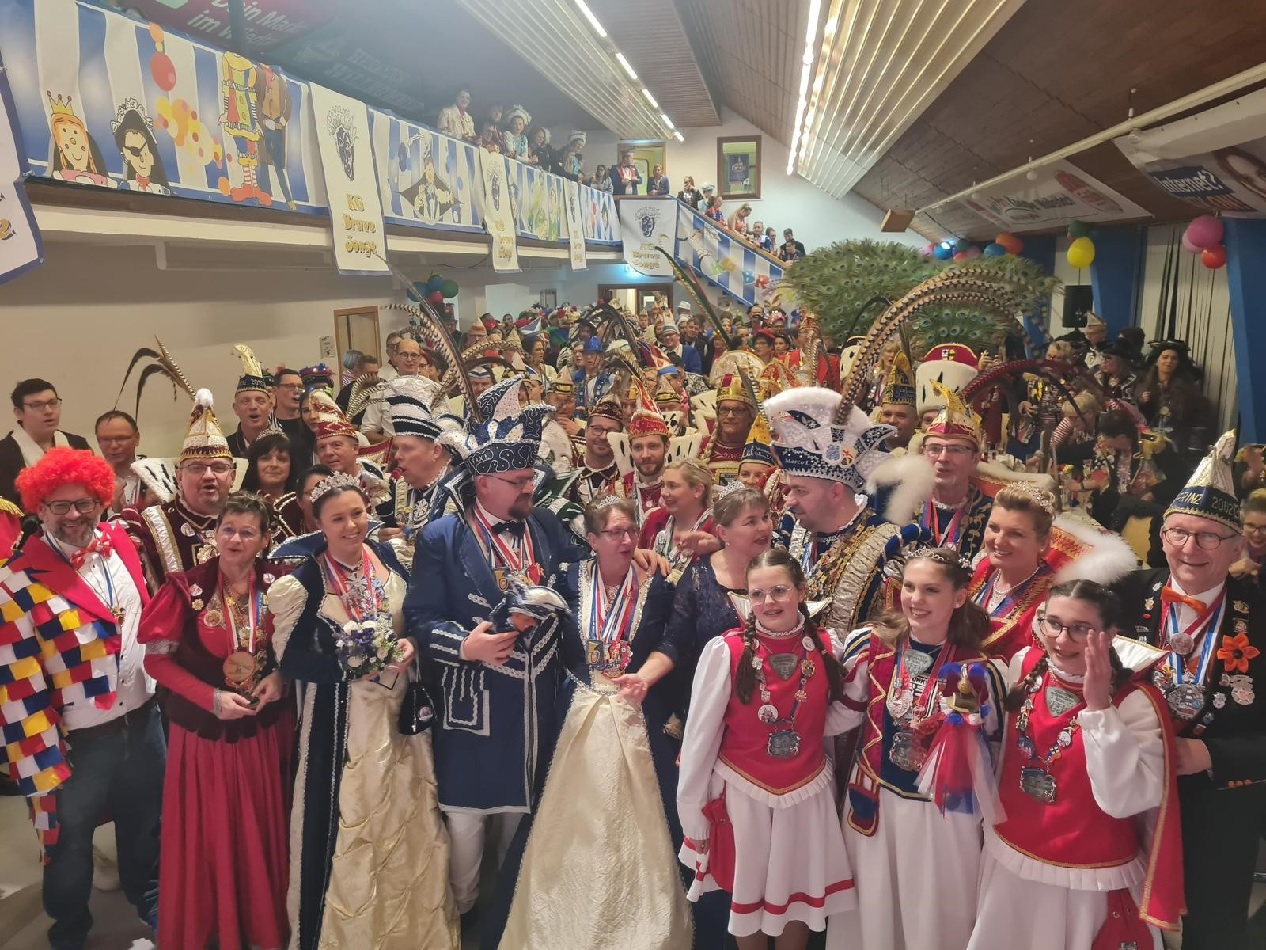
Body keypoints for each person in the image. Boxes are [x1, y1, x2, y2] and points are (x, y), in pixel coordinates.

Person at [404, 378, 588, 933]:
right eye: (517, 480)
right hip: (473, 713)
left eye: (531, 477)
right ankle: (459, 927)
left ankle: (504, 930)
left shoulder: (544, 524)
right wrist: (466, 645)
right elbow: (420, 619)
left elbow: (578, 576)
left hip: (534, 711)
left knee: (520, 831)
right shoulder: (443, 536)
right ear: (483, 482)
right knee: (464, 834)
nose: (529, 488)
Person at [269, 473, 458, 949]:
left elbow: (415, 616)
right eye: (338, 518)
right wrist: (349, 667)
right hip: (344, 718)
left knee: (409, 808)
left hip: (401, 711)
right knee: (353, 813)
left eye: (357, 513)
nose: (351, 525)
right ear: (320, 525)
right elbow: (290, 659)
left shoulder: (391, 557)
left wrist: (413, 643)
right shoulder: (304, 580)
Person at [499, 498, 693, 947]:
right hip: (577, 709)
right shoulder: (567, 579)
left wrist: (644, 679)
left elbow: (674, 641)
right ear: (592, 541)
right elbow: (525, 613)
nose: (627, 541)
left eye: (632, 532)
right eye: (615, 533)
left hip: (635, 709)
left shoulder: (660, 584)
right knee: (567, 821)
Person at [0, 448, 161, 949]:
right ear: (38, 509)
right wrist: (42, 758)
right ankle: (69, 929)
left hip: (144, 719)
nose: (74, 515)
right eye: (58, 505)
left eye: (84, 502)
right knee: (68, 843)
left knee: (146, 827)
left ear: (101, 499)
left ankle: (153, 908)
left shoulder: (122, 543)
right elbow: (15, 682)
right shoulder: (17, 580)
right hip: (78, 740)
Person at [967, 580, 1184, 950]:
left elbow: (1123, 801)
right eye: (1053, 623)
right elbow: (1003, 750)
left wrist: (1099, 708)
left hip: (1088, 876)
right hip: (1010, 857)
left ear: (1110, 634)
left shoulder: (1136, 703)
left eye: (1080, 629)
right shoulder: (1025, 666)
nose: (1062, 640)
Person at [1113, 432, 1266, 950]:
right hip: (1125, 795)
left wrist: (1209, 753)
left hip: (1218, 805)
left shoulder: (1261, 616)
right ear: (1160, 536)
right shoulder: (1123, 593)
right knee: (1116, 919)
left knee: (1212, 931)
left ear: (1237, 546)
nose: (1189, 548)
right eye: (1178, 533)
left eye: (1208, 537)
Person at [678, 549, 858, 949]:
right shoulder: (726, 651)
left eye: (779, 590)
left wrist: (859, 699)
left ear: (802, 592)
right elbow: (699, 739)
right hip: (744, 795)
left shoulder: (827, 646)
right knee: (750, 895)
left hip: (806, 794)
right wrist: (692, 812)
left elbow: (824, 720)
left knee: (798, 896)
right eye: (757, 594)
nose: (768, 602)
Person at [138, 492, 295, 950]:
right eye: (228, 529)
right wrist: (209, 697)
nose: (235, 539)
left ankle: (263, 925)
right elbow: (157, 663)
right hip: (206, 736)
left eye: (248, 532)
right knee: (212, 834)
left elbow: (303, 647)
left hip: (267, 731)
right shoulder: (186, 588)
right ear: (214, 533)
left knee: (266, 830)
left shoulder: (283, 586)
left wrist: (282, 677)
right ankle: (214, 926)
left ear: (265, 540)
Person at [830, 548, 1005, 950]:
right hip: (874, 798)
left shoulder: (978, 670)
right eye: (909, 587)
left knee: (933, 916)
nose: (915, 599)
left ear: (958, 597)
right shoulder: (871, 646)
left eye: (930, 590)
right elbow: (843, 716)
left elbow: (996, 756)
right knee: (870, 913)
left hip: (942, 814)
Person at [765, 385, 928, 632]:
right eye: (791, 491)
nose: (789, 501)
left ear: (836, 492)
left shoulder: (895, 547)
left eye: (800, 491)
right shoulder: (791, 531)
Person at [122, 390, 237, 589]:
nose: (208, 475)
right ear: (179, 477)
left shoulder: (255, 519)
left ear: (233, 477)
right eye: (197, 467)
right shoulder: (148, 528)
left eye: (218, 467)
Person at [375, 375, 460, 567]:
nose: (397, 456)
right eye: (397, 448)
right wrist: (383, 539)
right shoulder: (398, 488)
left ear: (436, 451)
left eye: (407, 448)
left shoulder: (463, 492)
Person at [0, 378, 90, 504]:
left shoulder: (78, 444)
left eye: (53, 403)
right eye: (37, 405)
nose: (48, 411)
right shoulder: (4, 454)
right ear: (18, 412)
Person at [1135, 341, 1210, 460]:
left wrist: (1194, 451)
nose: (1169, 361)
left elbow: (1197, 423)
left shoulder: (1188, 391)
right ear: (1156, 361)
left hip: (1176, 448)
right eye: (1165, 357)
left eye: (1174, 358)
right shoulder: (1144, 387)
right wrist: (1142, 403)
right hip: (1147, 447)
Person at [362, 336, 426, 444]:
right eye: (404, 354)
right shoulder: (381, 390)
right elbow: (367, 431)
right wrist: (393, 442)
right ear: (395, 357)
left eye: (414, 355)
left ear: (420, 358)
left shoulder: (433, 389)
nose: (409, 359)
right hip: (394, 453)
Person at [240, 431, 303, 538]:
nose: (274, 464)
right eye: (265, 458)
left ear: (291, 466)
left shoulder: (302, 504)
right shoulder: (239, 503)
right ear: (254, 464)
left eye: (282, 459)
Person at [700, 375, 756, 484]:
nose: (730, 416)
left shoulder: (763, 451)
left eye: (738, 410)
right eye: (724, 410)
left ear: (750, 416)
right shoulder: (700, 447)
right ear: (718, 414)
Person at [226, 344, 275, 458]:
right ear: (235, 408)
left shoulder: (286, 445)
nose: (253, 406)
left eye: (260, 401)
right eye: (245, 401)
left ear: (271, 406)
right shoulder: (224, 448)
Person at [95, 409, 144, 515]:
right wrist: (114, 510)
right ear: (98, 441)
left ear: (137, 438)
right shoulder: (91, 480)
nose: (114, 445)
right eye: (106, 439)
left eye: (121, 438)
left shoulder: (157, 475)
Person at [875, 351, 918, 451]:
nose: (892, 421)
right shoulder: (867, 451)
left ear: (916, 420)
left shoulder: (925, 454)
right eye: (887, 414)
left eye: (901, 415)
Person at [271, 366, 314, 465]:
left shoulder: (309, 421)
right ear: (275, 390)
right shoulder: (267, 424)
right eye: (290, 386)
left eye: (300, 387)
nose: (296, 391)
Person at [335, 352, 382, 426]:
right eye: (370, 374)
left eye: (376, 373)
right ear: (357, 373)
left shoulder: (382, 390)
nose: (374, 377)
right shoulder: (346, 392)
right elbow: (338, 418)